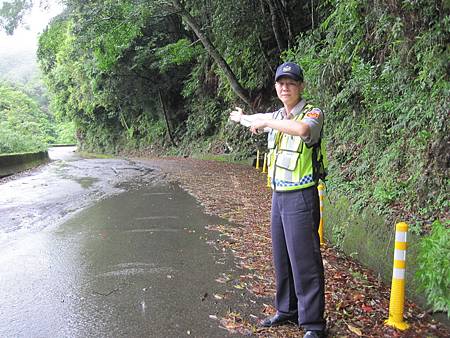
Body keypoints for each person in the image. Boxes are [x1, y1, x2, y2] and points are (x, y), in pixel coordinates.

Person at [229, 62, 327, 338]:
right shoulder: (275, 115)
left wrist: (266, 121)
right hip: (279, 196)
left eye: (291, 82)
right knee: (282, 257)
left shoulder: (312, 113)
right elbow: (255, 119)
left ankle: (313, 324)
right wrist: (241, 117)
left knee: (304, 260)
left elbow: (303, 131)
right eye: (281, 83)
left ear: (301, 87)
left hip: (302, 196)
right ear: (276, 87)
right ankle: (287, 310)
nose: (285, 87)